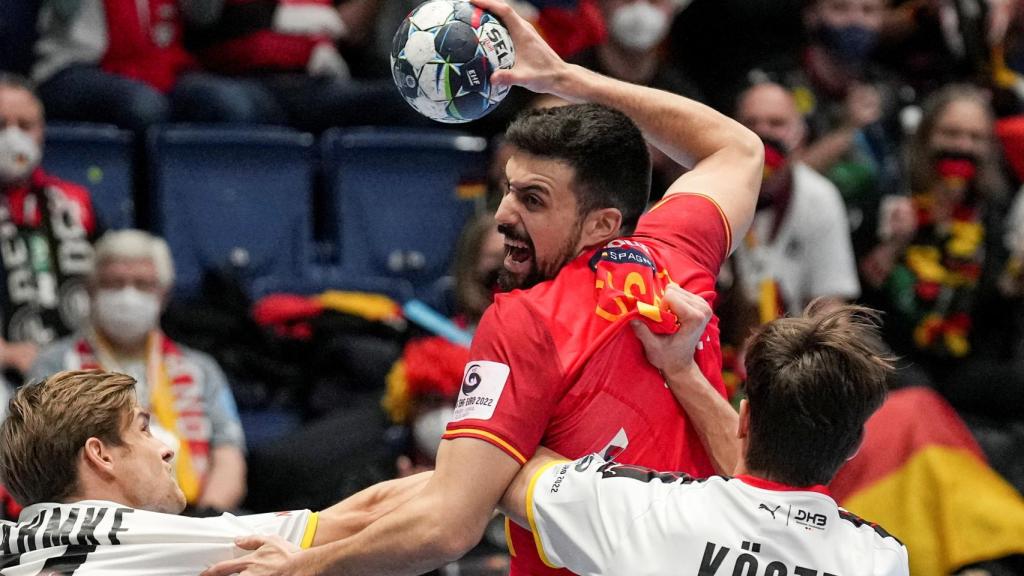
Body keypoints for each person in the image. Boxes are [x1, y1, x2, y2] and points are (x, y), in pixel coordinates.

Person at [205, 0, 764, 572]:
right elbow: (737, 147)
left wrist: (302, 568)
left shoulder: (527, 321)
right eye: (507, 188)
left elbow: (447, 524)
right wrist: (566, 78)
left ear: (601, 224)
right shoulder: (674, 256)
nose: (501, 216)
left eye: (533, 199)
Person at [500, 293, 908, 576]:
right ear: (854, 445)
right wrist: (681, 371)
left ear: (743, 418)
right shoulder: (879, 560)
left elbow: (502, 468)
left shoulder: (644, 510)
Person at [0, 369, 431, 574]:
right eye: (144, 430)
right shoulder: (127, 536)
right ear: (101, 455)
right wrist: (487, 460)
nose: (166, 450)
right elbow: (365, 515)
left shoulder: (13, 541)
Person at [28, 229, 248, 513]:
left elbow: (229, 456)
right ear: (91, 291)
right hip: (95, 522)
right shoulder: (55, 364)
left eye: (142, 284)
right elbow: (41, 462)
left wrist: (205, 519)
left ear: (164, 295)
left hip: (193, 515)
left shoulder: (201, 368)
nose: (128, 295)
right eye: (115, 283)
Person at [859, 84, 1024, 418]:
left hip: (965, 364)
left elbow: (994, 314)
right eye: (951, 134)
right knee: (914, 389)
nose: (962, 147)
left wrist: (1010, 286)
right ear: (926, 138)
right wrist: (895, 244)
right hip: (895, 355)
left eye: (975, 138)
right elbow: (859, 295)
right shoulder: (891, 201)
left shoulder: (994, 213)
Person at [717, 82, 859, 386]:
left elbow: (829, 304)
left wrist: (819, 373)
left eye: (776, 124)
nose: (763, 133)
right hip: (714, 354)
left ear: (799, 136)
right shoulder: (709, 191)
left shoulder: (820, 197)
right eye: (751, 123)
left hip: (792, 361)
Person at [32, 0, 282, 132]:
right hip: (74, 66)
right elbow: (62, 8)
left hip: (163, 66)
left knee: (232, 103)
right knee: (144, 107)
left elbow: (203, 15)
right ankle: (141, 213)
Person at [0, 73, 97, 393]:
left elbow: (109, 280)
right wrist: (8, 354)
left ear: (41, 132)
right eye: (1, 125)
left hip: (76, 368)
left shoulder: (74, 200)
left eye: (25, 126)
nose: (13, 137)